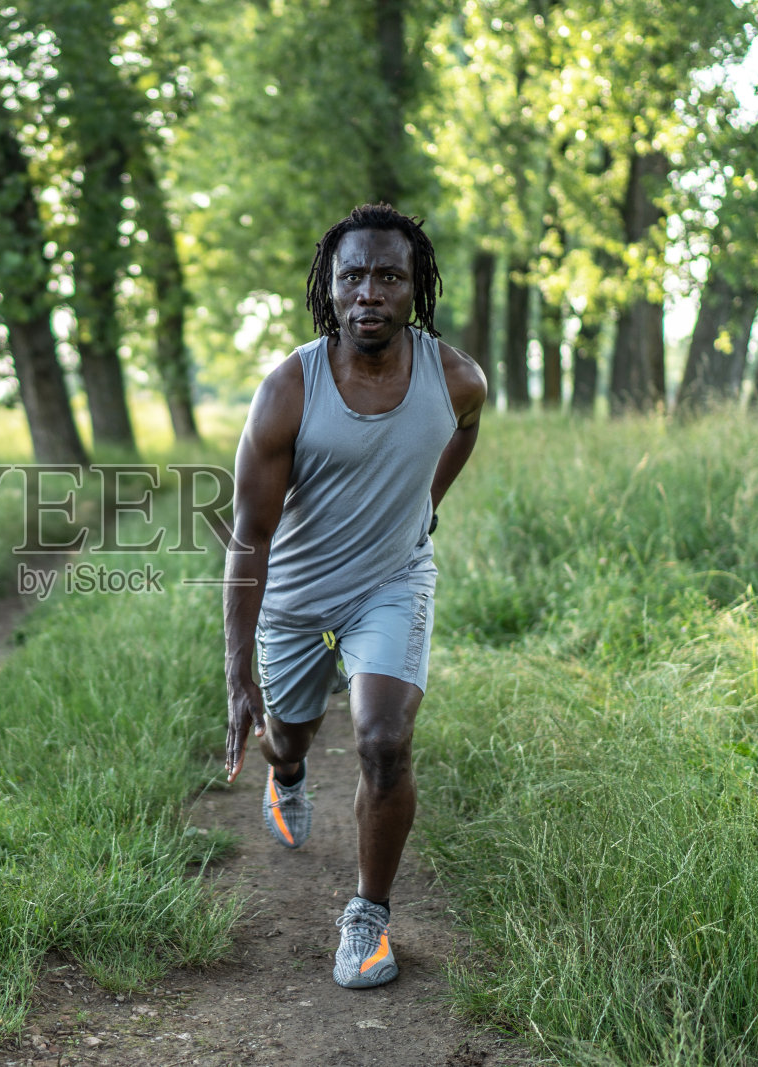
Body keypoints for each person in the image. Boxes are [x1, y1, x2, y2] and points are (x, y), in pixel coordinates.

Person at [223, 203, 486, 989]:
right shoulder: (287, 391)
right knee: (289, 737)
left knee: (381, 739)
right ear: (329, 289)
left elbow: (463, 428)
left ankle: (367, 918)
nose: (368, 292)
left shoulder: (456, 378)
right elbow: (249, 537)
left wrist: (428, 502)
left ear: (416, 289)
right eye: (352, 277)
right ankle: (290, 773)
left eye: (388, 276)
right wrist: (239, 675)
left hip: (391, 582)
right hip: (296, 595)